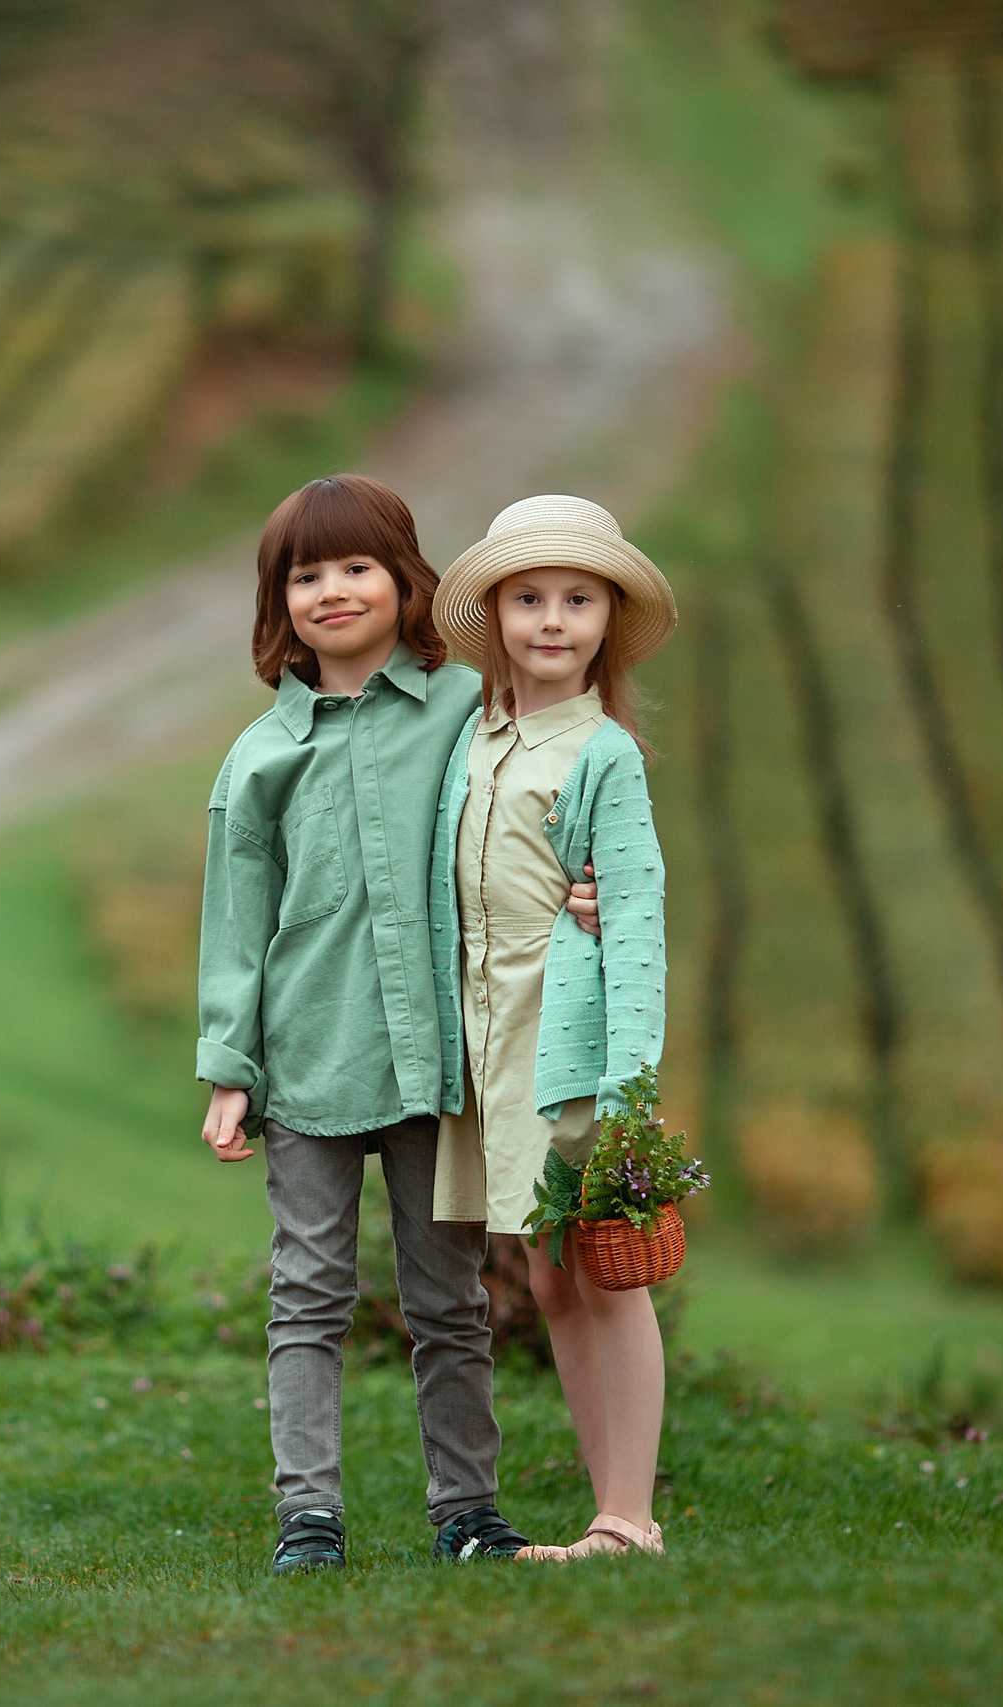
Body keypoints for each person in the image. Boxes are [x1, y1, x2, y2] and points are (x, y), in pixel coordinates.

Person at [197, 474, 594, 1574]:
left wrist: (586, 883)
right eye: (305, 575)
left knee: (448, 1301)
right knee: (307, 1296)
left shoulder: (468, 710)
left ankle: (467, 1511)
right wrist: (230, 1066)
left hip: (438, 1062)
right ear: (280, 603)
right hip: (308, 1060)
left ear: (404, 581)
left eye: (356, 566)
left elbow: (533, 813)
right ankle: (308, 1519)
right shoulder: (260, 757)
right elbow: (235, 925)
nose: (332, 590)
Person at [427, 494, 677, 1561]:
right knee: (546, 1274)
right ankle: (609, 1506)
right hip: (493, 1039)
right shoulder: (476, 736)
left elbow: (637, 923)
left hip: (568, 1042)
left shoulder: (603, 753)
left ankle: (626, 1516)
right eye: (528, 598)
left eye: (579, 599)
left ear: (608, 620)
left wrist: (628, 1090)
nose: (552, 620)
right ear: (495, 613)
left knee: (602, 1269)